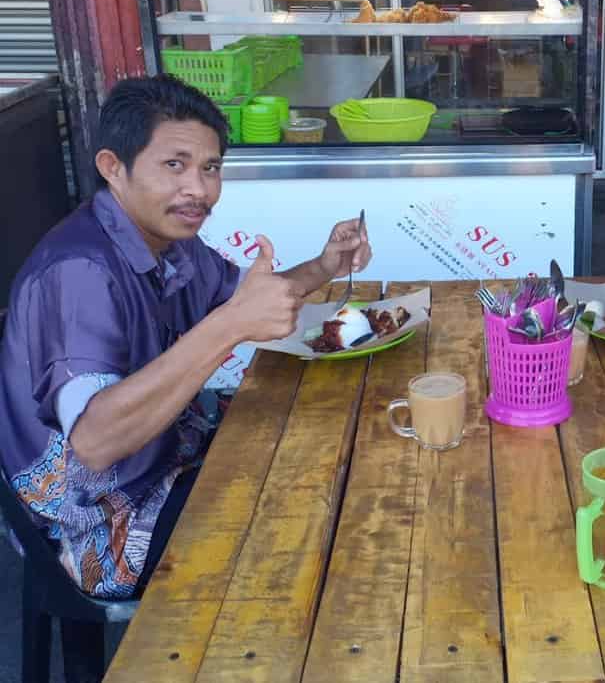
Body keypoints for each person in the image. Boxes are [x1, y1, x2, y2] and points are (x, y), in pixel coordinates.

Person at [0, 75, 372, 598]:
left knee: (336, 467)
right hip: (102, 524)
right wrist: (228, 328)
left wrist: (323, 265)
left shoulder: (167, 242)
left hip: (171, 457)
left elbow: (249, 300)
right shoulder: (81, 272)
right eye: (173, 165)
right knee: (315, 530)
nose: (197, 189)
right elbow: (94, 443)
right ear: (114, 168)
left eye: (210, 167)